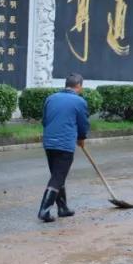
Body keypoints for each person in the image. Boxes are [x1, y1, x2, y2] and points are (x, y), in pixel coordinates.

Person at [38, 73, 90, 222]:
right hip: (65, 145)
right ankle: (44, 210)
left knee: (57, 175)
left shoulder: (51, 98)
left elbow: (45, 120)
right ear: (79, 85)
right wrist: (81, 138)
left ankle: (63, 208)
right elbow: (83, 124)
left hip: (49, 143)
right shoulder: (79, 102)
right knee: (57, 177)